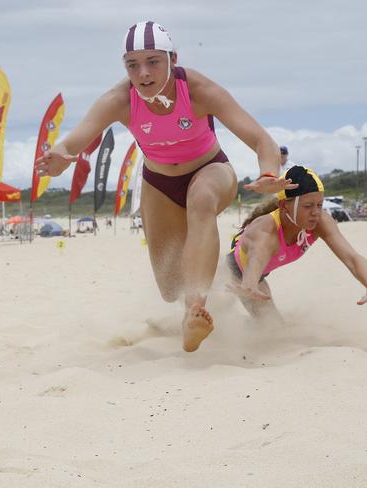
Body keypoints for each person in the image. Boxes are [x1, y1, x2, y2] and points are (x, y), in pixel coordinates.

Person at [35, 21, 294, 352]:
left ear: (173, 58)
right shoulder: (119, 100)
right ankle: (221, 282)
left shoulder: (199, 91)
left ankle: (193, 313)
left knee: (201, 202)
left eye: (153, 61)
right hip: (158, 183)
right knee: (170, 286)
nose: (143, 73)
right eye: (133, 64)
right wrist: (59, 155)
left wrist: (269, 174)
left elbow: (261, 140)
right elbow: (74, 141)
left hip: (211, 169)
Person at [227, 166, 367, 318]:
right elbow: (255, 261)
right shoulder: (265, 230)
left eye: (320, 205)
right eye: (308, 206)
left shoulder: (321, 221)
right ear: (284, 206)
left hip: (257, 278)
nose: (315, 212)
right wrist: (249, 284)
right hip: (232, 275)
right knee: (216, 316)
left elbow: (352, 258)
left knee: (273, 329)